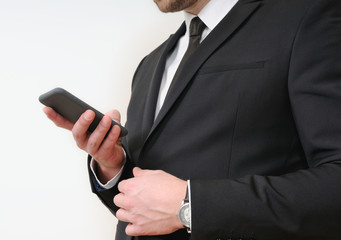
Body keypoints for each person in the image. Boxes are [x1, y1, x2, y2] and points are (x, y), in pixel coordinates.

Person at [43, 0, 341, 239]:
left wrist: (192, 206)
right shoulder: (149, 65)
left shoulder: (306, 17)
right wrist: (113, 166)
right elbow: (148, 206)